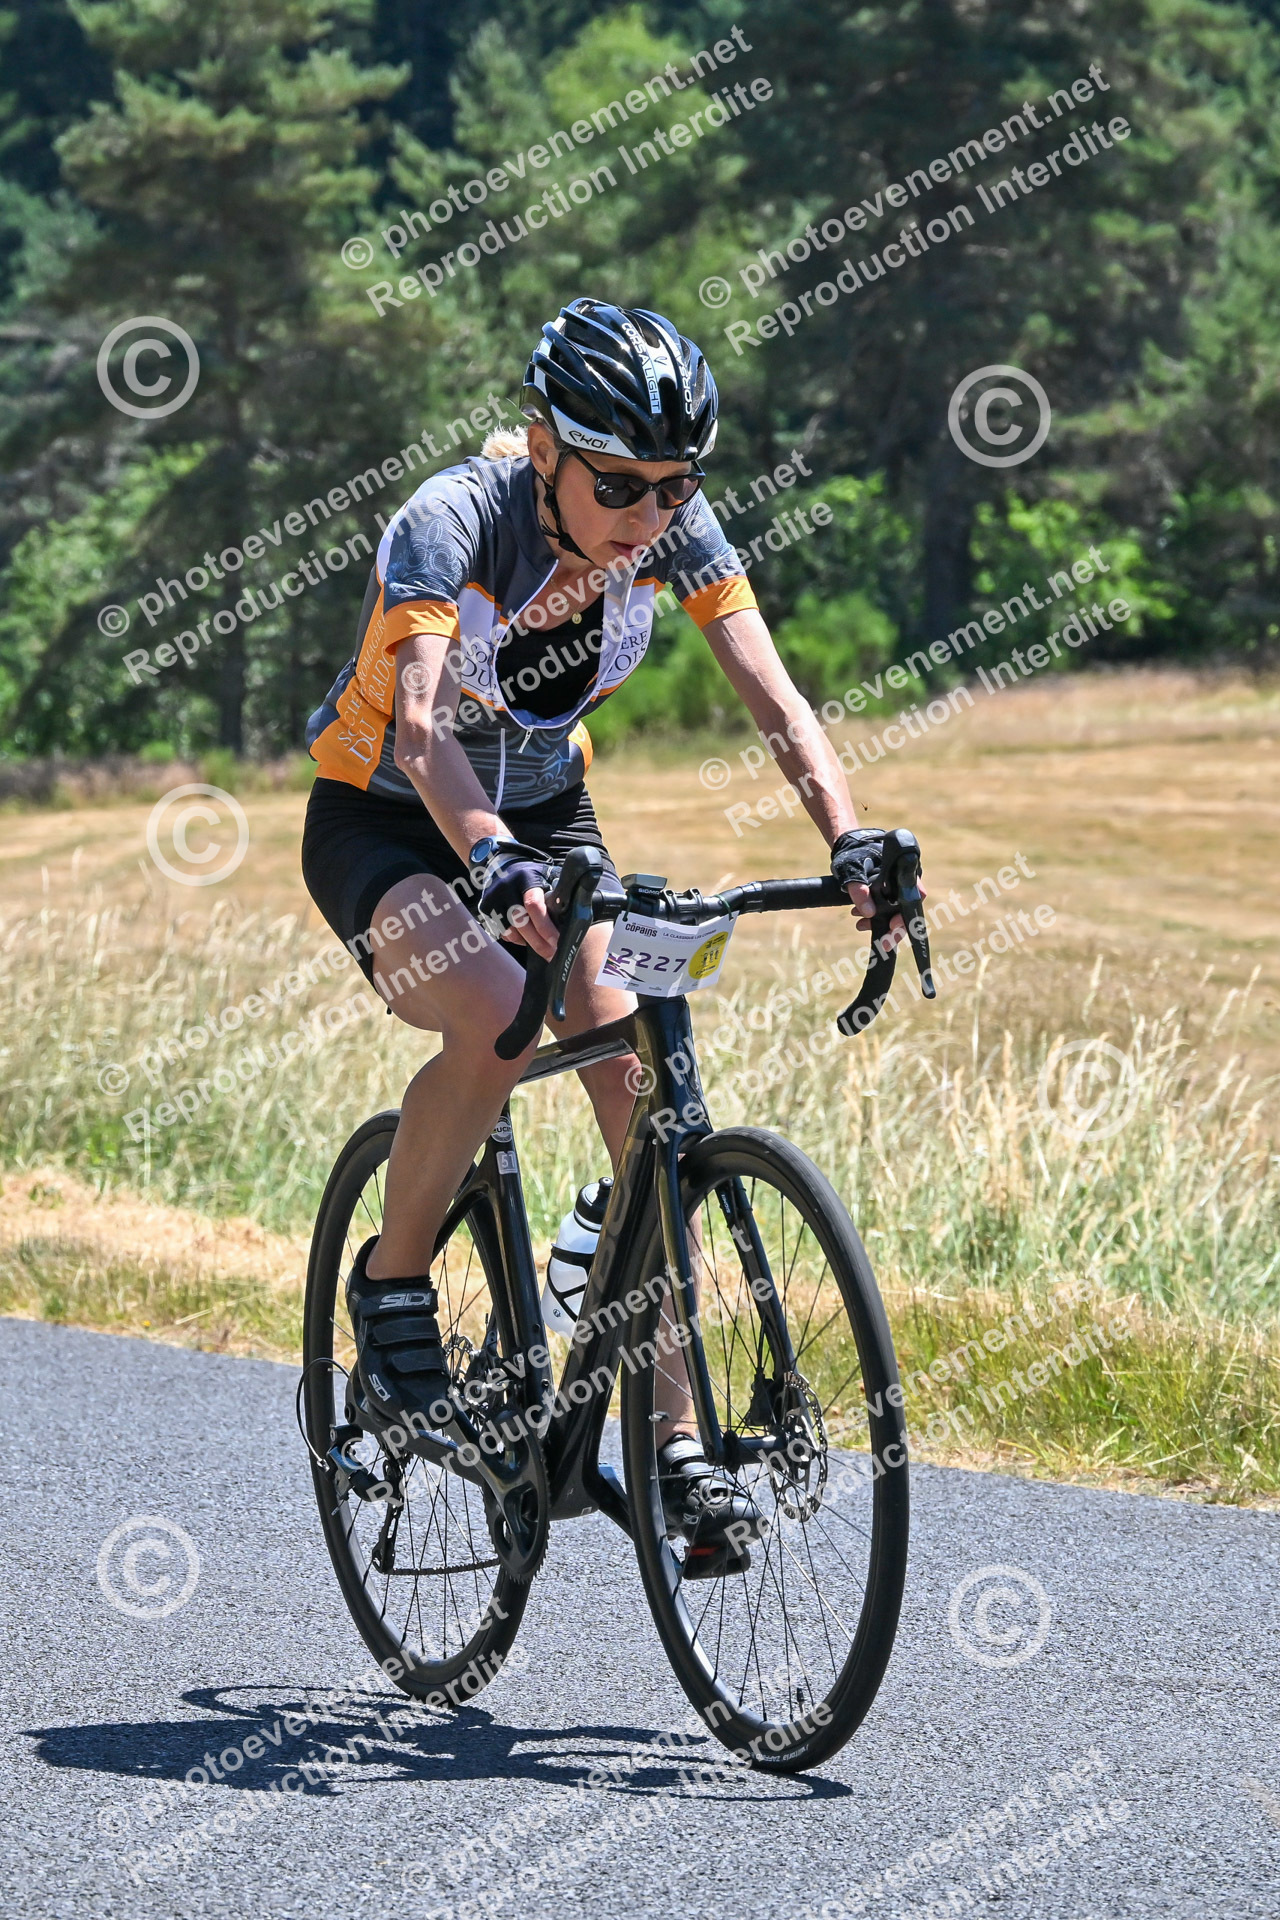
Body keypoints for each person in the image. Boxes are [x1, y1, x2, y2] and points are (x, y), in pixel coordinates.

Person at [302, 296, 906, 1558]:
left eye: (674, 488)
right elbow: (419, 733)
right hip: (388, 821)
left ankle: (673, 1445)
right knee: (495, 1016)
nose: (647, 516)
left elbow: (775, 698)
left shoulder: (670, 529)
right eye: (619, 486)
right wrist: (489, 862)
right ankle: (392, 1288)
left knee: (642, 1087)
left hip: (546, 818)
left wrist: (847, 838)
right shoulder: (451, 522)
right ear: (544, 452)